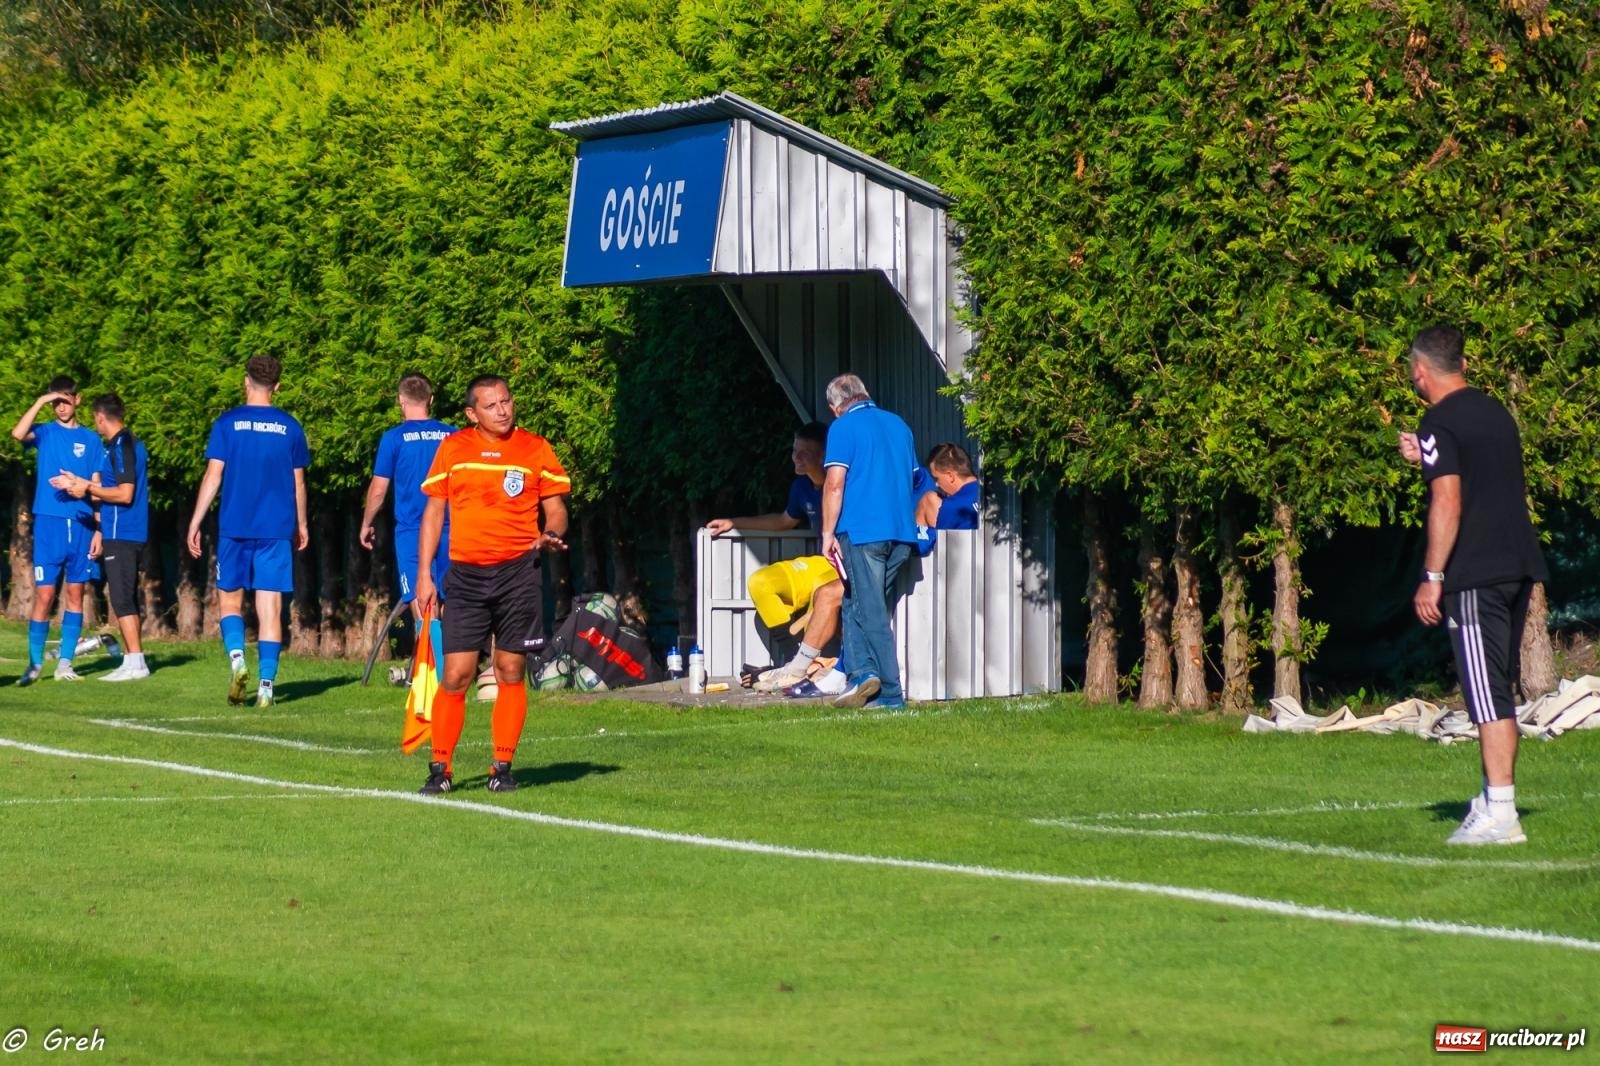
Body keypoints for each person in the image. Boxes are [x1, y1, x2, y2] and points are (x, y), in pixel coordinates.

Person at [1399, 324, 1548, 845]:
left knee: (1486, 698)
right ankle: (1492, 798)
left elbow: (1449, 501)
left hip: (1476, 573)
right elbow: (1484, 473)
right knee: (1497, 692)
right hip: (1516, 565)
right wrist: (1426, 453)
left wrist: (1432, 576)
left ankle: (1501, 814)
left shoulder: (1438, 419)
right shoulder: (1493, 413)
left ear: (1420, 371)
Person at [413, 374, 571, 795]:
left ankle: (501, 766)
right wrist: (425, 574)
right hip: (465, 575)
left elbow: (555, 509)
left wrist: (551, 533)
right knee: (457, 675)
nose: (502, 410)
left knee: (510, 669)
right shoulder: (453, 449)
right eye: (491, 405)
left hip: (519, 573)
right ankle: (440, 769)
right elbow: (433, 514)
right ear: (471, 413)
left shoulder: (534, 448)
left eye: (506, 401)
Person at [789, 442, 982, 700]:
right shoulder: (995, 500)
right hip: (972, 592)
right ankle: (838, 669)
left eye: (937, 479)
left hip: (922, 579)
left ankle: (853, 674)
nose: (936, 486)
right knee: (850, 597)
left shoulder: (939, 503)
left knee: (854, 598)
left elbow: (929, 542)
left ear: (950, 475)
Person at [187, 355, 311, 707]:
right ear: (278, 387)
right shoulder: (290, 426)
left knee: (229, 600)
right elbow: (298, 482)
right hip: (275, 529)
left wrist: (195, 521)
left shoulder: (228, 423)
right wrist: (301, 524)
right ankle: (267, 688)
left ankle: (238, 660)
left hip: (235, 527)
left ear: (246, 381)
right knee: (270, 607)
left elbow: (213, 476)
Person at [706, 423, 840, 692]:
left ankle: (807, 665)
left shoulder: (842, 482)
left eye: (804, 453)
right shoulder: (801, 487)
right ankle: (795, 664)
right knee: (761, 581)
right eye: (794, 451)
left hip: (842, 564)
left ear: (824, 456)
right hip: (820, 562)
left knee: (820, 592)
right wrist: (734, 521)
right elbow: (783, 521)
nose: (796, 458)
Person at [819, 373, 919, 710]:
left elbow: (834, 484)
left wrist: (827, 533)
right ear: (865, 392)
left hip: (862, 533)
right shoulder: (899, 425)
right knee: (855, 600)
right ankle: (862, 675)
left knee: (872, 610)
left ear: (836, 407)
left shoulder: (843, 428)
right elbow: (916, 479)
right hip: (902, 534)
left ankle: (890, 692)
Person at [50, 393, 152, 681]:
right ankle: (133, 661)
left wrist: (88, 489)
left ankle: (136, 664)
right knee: (122, 597)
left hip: (124, 532)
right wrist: (80, 483)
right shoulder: (123, 444)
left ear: (100, 417)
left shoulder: (122, 446)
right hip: (121, 531)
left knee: (121, 597)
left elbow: (125, 493)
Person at [359, 372, 453, 683]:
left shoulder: (394, 438)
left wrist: (367, 522)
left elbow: (378, 489)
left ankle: (434, 679)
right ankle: (431, 672)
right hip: (451, 528)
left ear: (401, 401)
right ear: (431, 400)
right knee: (445, 600)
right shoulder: (453, 436)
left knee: (421, 602)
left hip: (413, 530)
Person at [10, 376, 103, 684]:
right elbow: (17, 433)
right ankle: (35, 665)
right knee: (45, 595)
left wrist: (99, 530)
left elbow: (97, 486)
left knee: (76, 593)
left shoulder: (91, 440)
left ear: (78, 400)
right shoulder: (46, 433)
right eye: (56, 401)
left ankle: (65, 663)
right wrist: (40, 401)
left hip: (81, 523)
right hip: (49, 522)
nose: (61, 407)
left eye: (66, 400)